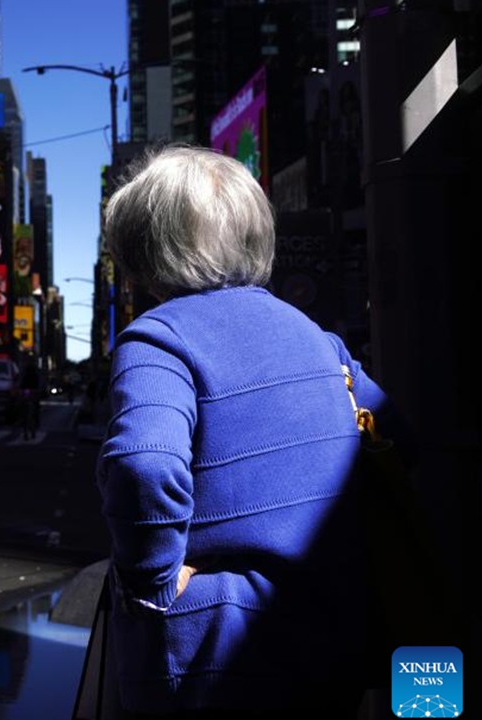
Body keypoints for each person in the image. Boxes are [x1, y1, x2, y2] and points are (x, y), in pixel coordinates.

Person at [95, 145, 387, 717]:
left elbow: (143, 463)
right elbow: (400, 443)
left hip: (216, 656)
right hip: (336, 636)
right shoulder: (318, 339)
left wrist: (150, 586)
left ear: (144, 249)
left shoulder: (159, 338)